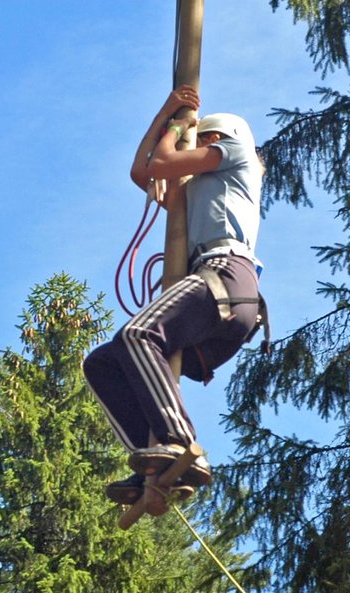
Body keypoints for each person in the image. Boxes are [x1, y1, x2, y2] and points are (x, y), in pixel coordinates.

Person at [83, 85, 266, 504]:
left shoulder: (238, 157)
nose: (194, 148)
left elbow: (163, 160)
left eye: (200, 141)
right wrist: (168, 115)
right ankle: (153, 461)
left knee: (137, 335)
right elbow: (143, 172)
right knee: (104, 364)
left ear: (217, 139)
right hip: (215, 296)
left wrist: (179, 124)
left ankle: (177, 441)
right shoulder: (199, 191)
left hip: (227, 275)